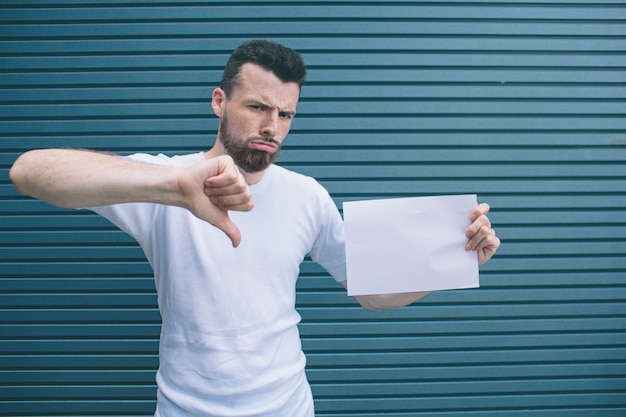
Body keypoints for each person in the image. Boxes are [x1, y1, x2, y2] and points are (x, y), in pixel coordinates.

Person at [9, 40, 500, 417]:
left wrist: (453, 258)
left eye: (286, 114)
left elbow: (372, 292)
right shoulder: (165, 180)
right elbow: (29, 172)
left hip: (286, 406)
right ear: (219, 101)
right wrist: (175, 187)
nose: (273, 126)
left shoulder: (306, 194)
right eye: (258, 108)